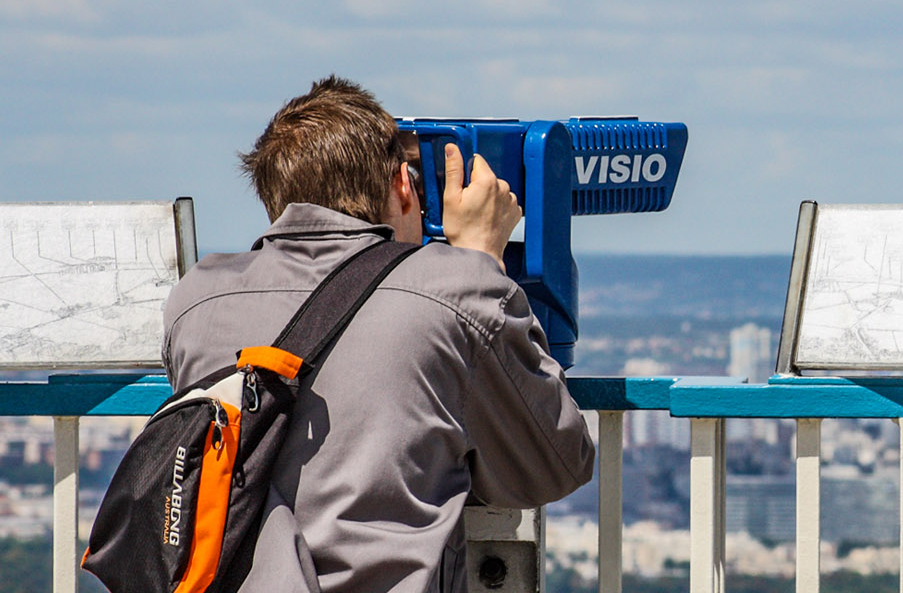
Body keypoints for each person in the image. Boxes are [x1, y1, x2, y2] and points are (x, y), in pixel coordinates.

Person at [161, 76, 596, 592]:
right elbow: (552, 465)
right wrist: (481, 263)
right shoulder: (457, 291)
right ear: (403, 186)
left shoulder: (196, 300)